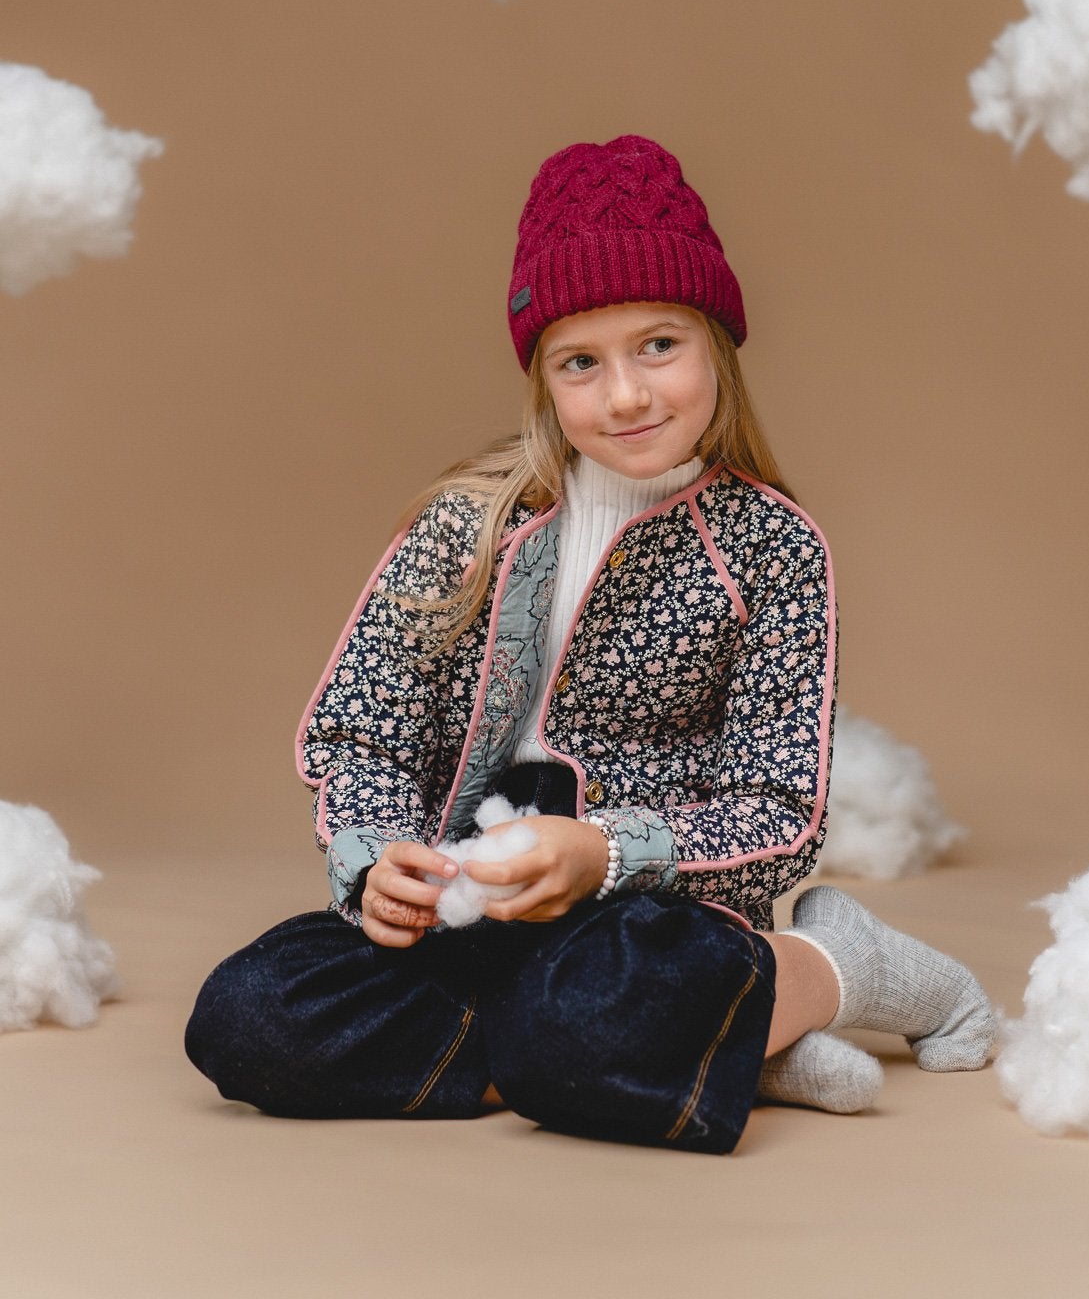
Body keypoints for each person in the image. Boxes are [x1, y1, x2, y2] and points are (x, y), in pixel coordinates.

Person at [185, 134, 995, 1154]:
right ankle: (715, 1046)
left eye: (659, 345)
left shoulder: (773, 549)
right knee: (250, 1015)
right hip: (469, 923)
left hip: (648, 929)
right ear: (544, 379)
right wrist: (371, 857)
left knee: (585, 1016)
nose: (624, 397)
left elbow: (780, 809)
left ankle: (823, 972)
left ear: (718, 345)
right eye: (581, 362)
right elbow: (362, 729)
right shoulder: (465, 528)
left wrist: (605, 852)